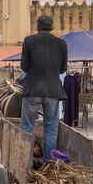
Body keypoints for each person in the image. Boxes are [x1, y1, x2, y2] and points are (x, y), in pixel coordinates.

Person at [20, 15, 68, 162]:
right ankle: (49, 163)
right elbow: (62, 69)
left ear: (37, 26)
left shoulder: (29, 41)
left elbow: (24, 67)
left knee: (28, 127)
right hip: (53, 91)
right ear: (52, 27)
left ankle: (26, 164)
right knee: (51, 128)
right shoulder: (61, 43)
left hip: (33, 89)